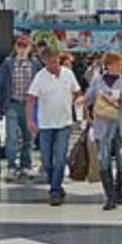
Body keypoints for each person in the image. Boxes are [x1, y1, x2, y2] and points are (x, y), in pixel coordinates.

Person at [25, 47, 84, 206]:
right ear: (44, 62)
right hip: (45, 124)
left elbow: (77, 92)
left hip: (64, 122)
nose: (54, 65)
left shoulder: (68, 74)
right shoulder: (40, 77)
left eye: (56, 61)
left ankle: (55, 191)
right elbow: (30, 99)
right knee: (47, 160)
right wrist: (30, 121)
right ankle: (55, 183)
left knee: (59, 158)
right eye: (50, 62)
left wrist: (79, 101)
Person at [85, 53, 122, 210]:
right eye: (117, 64)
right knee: (103, 159)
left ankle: (119, 188)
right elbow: (88, 98)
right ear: (108, 65)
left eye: (121, 64)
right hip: (102, 126)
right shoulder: (97, 81)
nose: (120, 67)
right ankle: (110, 196)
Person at [0, 36, 42, 181]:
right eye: (19, 46)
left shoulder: (35, 64)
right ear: (15, 47)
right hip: (13, 104)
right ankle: (11, 166)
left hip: (29, 106)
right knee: (12, 137)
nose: (22, 49)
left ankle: (26, 165)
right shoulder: (8, 64)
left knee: (28, 138)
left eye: (25, 46)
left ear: (29, 48)